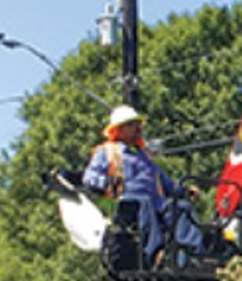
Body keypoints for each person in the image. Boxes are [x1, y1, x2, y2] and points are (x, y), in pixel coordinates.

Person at [83, 105, 204, 265]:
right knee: (144, 203)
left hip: (154, 205)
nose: (138, 128)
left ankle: (192, 254)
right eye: (132, 124)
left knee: (181, 208)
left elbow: (164, 182)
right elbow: (89, 177)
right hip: (124, 205)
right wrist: (108, 183)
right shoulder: (107, 152)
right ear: (119, 129)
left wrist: (184, 191)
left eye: (138, 124)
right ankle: (155, 254)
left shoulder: (143, 155)